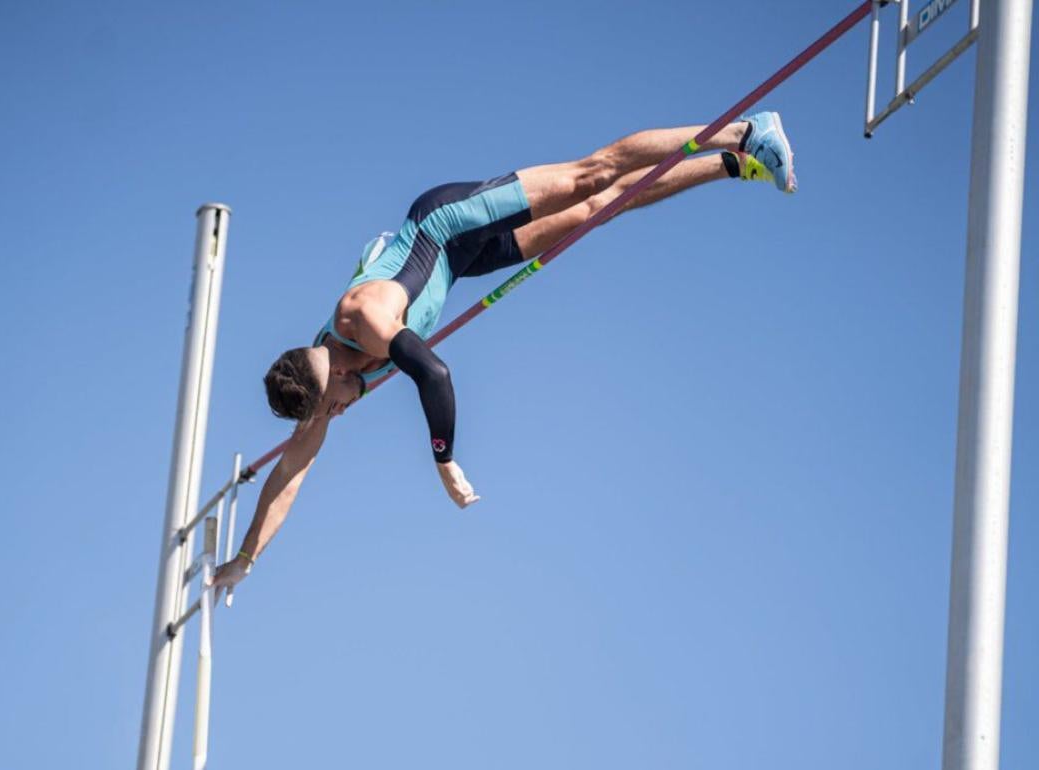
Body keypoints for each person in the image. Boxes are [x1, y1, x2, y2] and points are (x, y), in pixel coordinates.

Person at [210, 112, 797, 592]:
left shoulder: (362, 318)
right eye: (326, 413)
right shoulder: (319, 392)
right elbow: (287, 478)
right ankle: (735, 164)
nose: (336, 413)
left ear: (333, 371)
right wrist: (245, 560)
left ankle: (744, 130)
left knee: (590, 178)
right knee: (597, 212)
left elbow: (434, 374)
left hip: (446, 223)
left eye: (333, 404)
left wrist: (443, 462)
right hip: (460, 266)